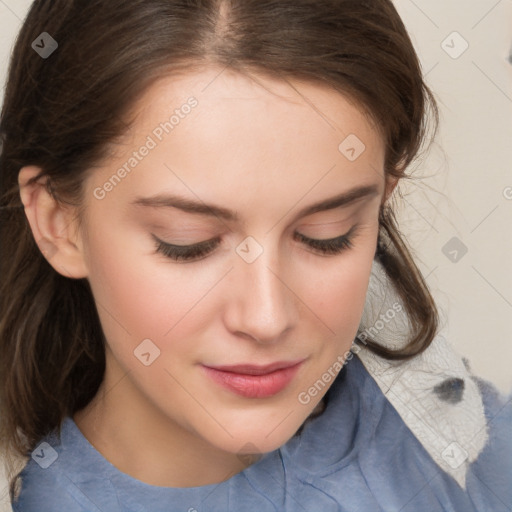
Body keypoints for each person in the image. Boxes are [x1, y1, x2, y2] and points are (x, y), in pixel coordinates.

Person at [0, 0, 510, 510]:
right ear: (58, 223)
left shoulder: (460, 432)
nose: (267, 319)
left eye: (326, 235)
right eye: (188, 243)